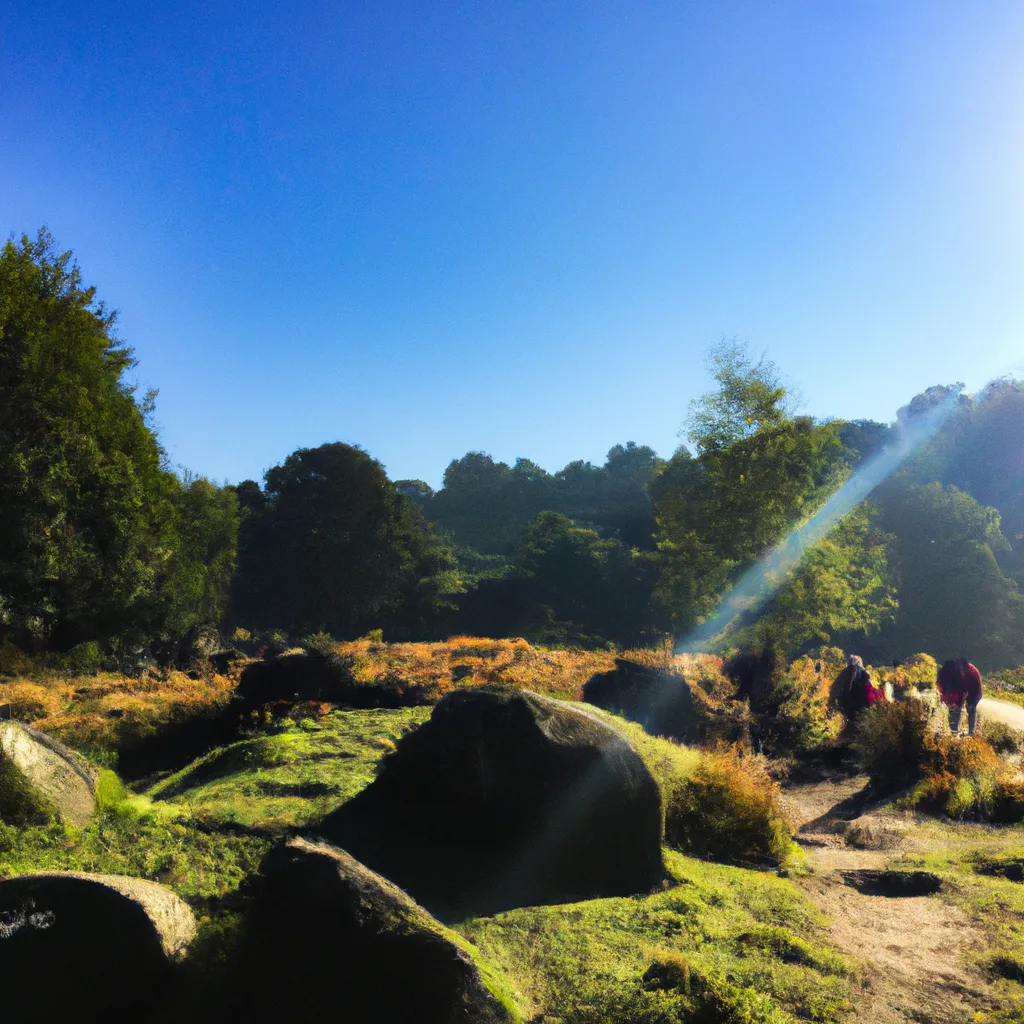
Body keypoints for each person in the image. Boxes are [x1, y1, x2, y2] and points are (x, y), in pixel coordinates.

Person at [936, 658, 983, 736]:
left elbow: (964, 692)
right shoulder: (959, 672)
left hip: (973, 692)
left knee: (968, 709)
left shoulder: (967, 673)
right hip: (966, 692)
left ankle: (960, 733)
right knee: (959, 710)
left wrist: (958, 704)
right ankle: (959, 732)